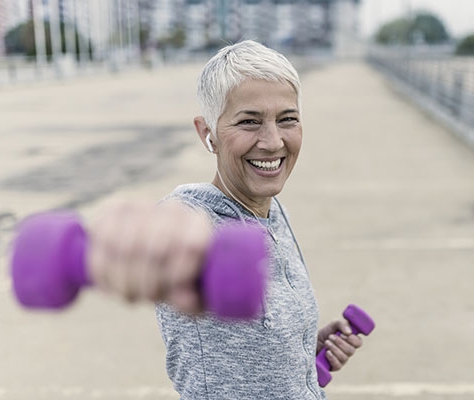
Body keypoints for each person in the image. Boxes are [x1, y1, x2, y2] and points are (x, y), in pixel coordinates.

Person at [87, 41, 364, 399]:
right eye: (249, 121)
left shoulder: (274, 212)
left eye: (287, 119)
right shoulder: (194, 223)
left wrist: (305, 346)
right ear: (208, 133)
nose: (272, 141)